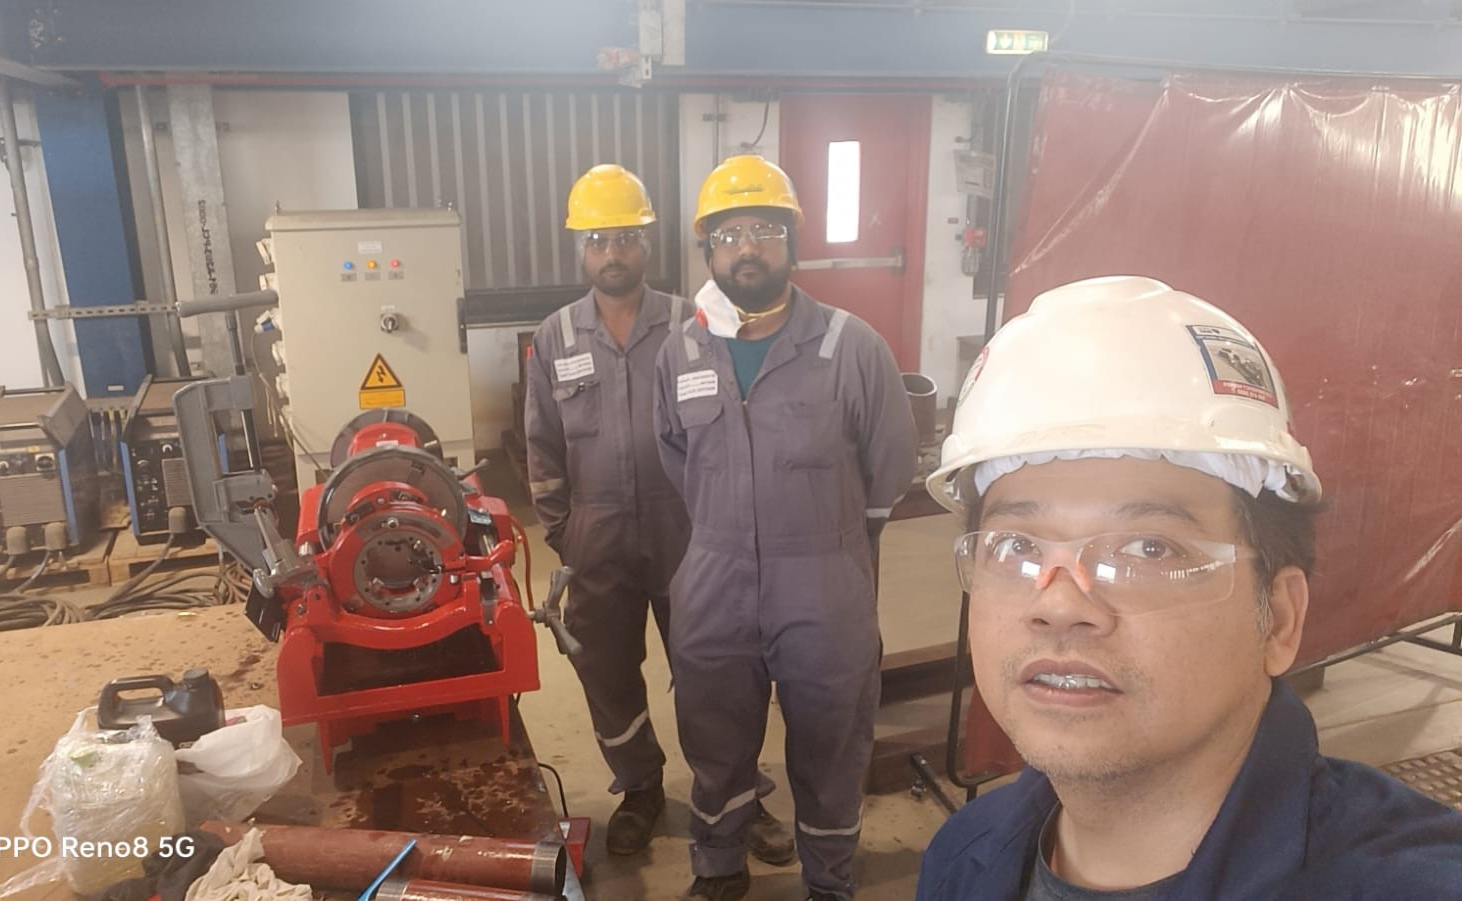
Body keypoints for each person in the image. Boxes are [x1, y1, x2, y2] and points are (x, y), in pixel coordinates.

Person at [916, 275, 1462, 899]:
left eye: (1148, 548)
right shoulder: (966, 856)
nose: (1059, 604)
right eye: (1016, 547)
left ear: (1279, 620)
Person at [655, 155, 918, 901]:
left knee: (831, 740)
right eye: (729, 234)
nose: (747, 247)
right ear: (708, 250)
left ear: (792, 242)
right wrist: (726, 522)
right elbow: (676, 454)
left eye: (765, 230)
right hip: (714, 573)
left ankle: (829, 880)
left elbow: (890, 464)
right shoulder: (681, 351)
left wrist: (837, 542)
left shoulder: (851, 346)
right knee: (713, 732)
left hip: (824, 579)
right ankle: (719, 866)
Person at [524, 164, 793, 860]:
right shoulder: (555, 337)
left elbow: (734, 421)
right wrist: (565, 531)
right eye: (597, 241)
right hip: (596, 539)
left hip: (691, 534)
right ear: (581, 249)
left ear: (646, 242)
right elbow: (542, 446)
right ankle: (640, 786)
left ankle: (737, 795)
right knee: (607, 674)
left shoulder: (694, 323)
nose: (611, 253)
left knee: (718, 672)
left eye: (624, 237)